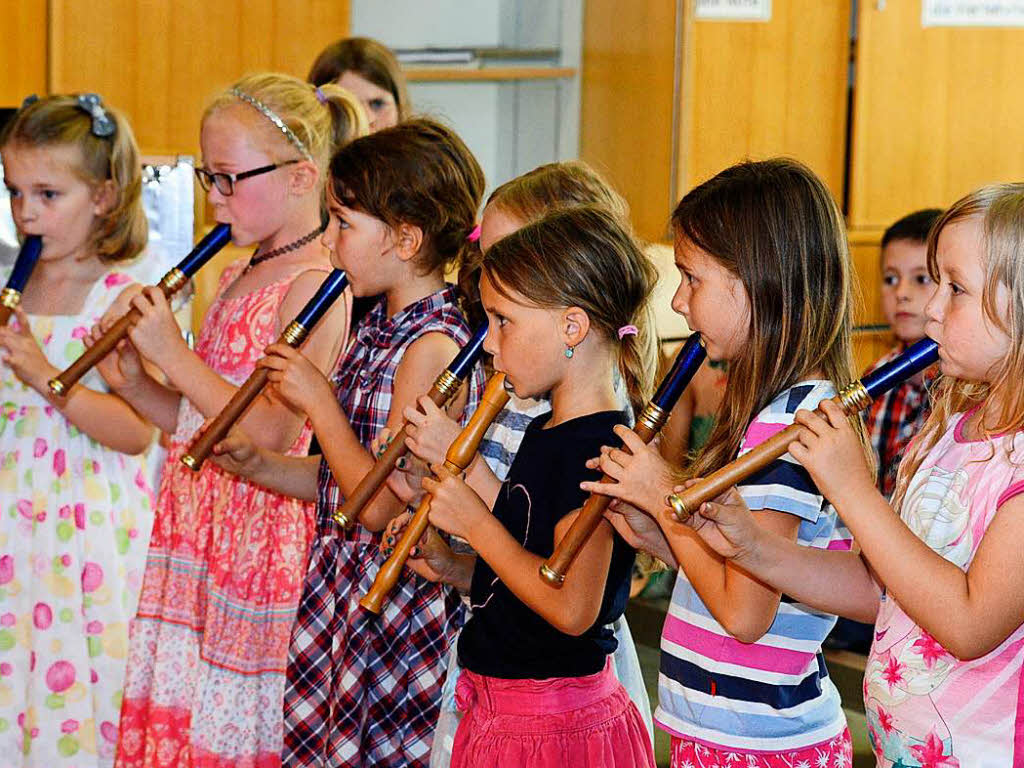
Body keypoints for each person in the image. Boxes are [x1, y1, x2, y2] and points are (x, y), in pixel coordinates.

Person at [682, 184, 1024, 767]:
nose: (931, 308)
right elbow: (883, 589)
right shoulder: (953, 429)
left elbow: (969, 624)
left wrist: (852, 489)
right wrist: (754, 551)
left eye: (955, 288)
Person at [212, 118, 487, 768]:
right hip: (341, 590)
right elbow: (340, 481)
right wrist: (261, 465)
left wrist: (315, 401)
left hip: (389, 607)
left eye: (342, 223)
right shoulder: (379, 324)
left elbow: (384, 508)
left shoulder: (432, 347)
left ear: (405, 238)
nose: (329, 242)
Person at [109, 73, 363, 766]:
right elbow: (199, 419)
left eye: (227, 178)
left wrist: (170, 352)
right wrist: (137, 383)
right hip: (196, 533)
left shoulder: (314, 285)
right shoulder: (233, 275)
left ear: (299, 177)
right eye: (205, 177)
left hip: (257, 548)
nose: (214, 198)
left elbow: (269, 434)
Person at [582, 159, 858, 766]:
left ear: (757, 282)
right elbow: (730, 568)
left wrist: (664, 498)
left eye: (692, 278)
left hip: (761, 742)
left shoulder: (790, 425)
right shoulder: (763, 409)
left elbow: (744, 612)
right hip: (722, 730)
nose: (678, 302)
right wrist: (658, 530)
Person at [380, 161, 656, 765]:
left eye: (504, 322)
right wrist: (455, 565)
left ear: (572, 327)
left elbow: (572, 609)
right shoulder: (544, 427)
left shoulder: (601, 449)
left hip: (553, 726)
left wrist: (474, 520)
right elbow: (522, 562)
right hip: (505, 708)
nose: (491, 343)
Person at [0, 92, 154, 767]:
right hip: (12, 522)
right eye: (13, 191)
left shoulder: (125, 293)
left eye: (47, 193)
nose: (25, 212)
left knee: (79, 691)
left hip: (84, 529)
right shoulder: (13, 283)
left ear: (103, 196)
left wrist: (44, 376)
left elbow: (136, 433)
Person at [827, 207, 943, 654]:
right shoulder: (874, 377)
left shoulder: (963, 390)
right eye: (891, 279)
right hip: (865, 564)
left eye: (922, 279)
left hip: (922, 571)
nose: (903, 295)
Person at [308, 36, 411, 332]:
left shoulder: (419, 190)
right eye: (349, 102)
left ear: (400, 107)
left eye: (377, 103)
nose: (366, 118)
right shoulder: (308, 189)